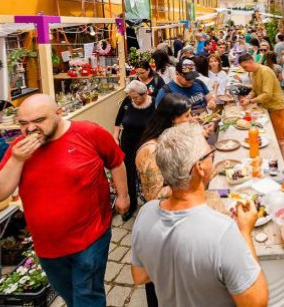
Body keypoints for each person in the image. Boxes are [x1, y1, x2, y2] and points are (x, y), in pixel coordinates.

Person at [0, 94, 129, 307]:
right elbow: (2, 192)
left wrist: (123, 196)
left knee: (87, 297)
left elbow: (116, 161)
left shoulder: (89, 132)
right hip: (46, 247)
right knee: (70, 296)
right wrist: (16, 159)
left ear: (58, 113)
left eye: (39, 121)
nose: (30, 129)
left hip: (90, 239)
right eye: (23, 124)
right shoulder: (20, 149)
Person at [131, 122, 268, 307]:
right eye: (209, 152)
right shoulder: (223, 231)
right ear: (200, 167)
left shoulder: (145, 214)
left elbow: (139, 275)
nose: (212, 154)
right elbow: (257, 302)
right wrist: (245, 231)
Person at [135, 94, 194, 307]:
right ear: (171, 120)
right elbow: (153, 196)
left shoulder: (170, 140)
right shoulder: (151, 150)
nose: (191, 119)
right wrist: (192, 179)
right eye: (186, 116)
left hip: (177, 218)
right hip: (160, 225)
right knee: (159, 286)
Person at [114, 81, 155, 221]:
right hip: (127, 143)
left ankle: (150, 203)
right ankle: (131, 204)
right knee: (129, 173)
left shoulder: (154, 103)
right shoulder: (127, 101)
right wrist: (115, 138)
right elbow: (118, 122)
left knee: (146, 173)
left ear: (145, 94)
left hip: (145, 144)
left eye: (136, 97)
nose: (133, 100)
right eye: (131, 97)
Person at [239, 54, 284, 166]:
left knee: (281, 140)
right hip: (267, 109)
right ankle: (275, 162)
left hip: (277, 109)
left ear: (251, 62)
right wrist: (247, 98)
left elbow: (267, 94)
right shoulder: (253, 73)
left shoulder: (265, 71)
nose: (244, 70)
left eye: (245, 67)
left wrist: (251, 101)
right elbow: (255, 91)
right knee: (271, 138)